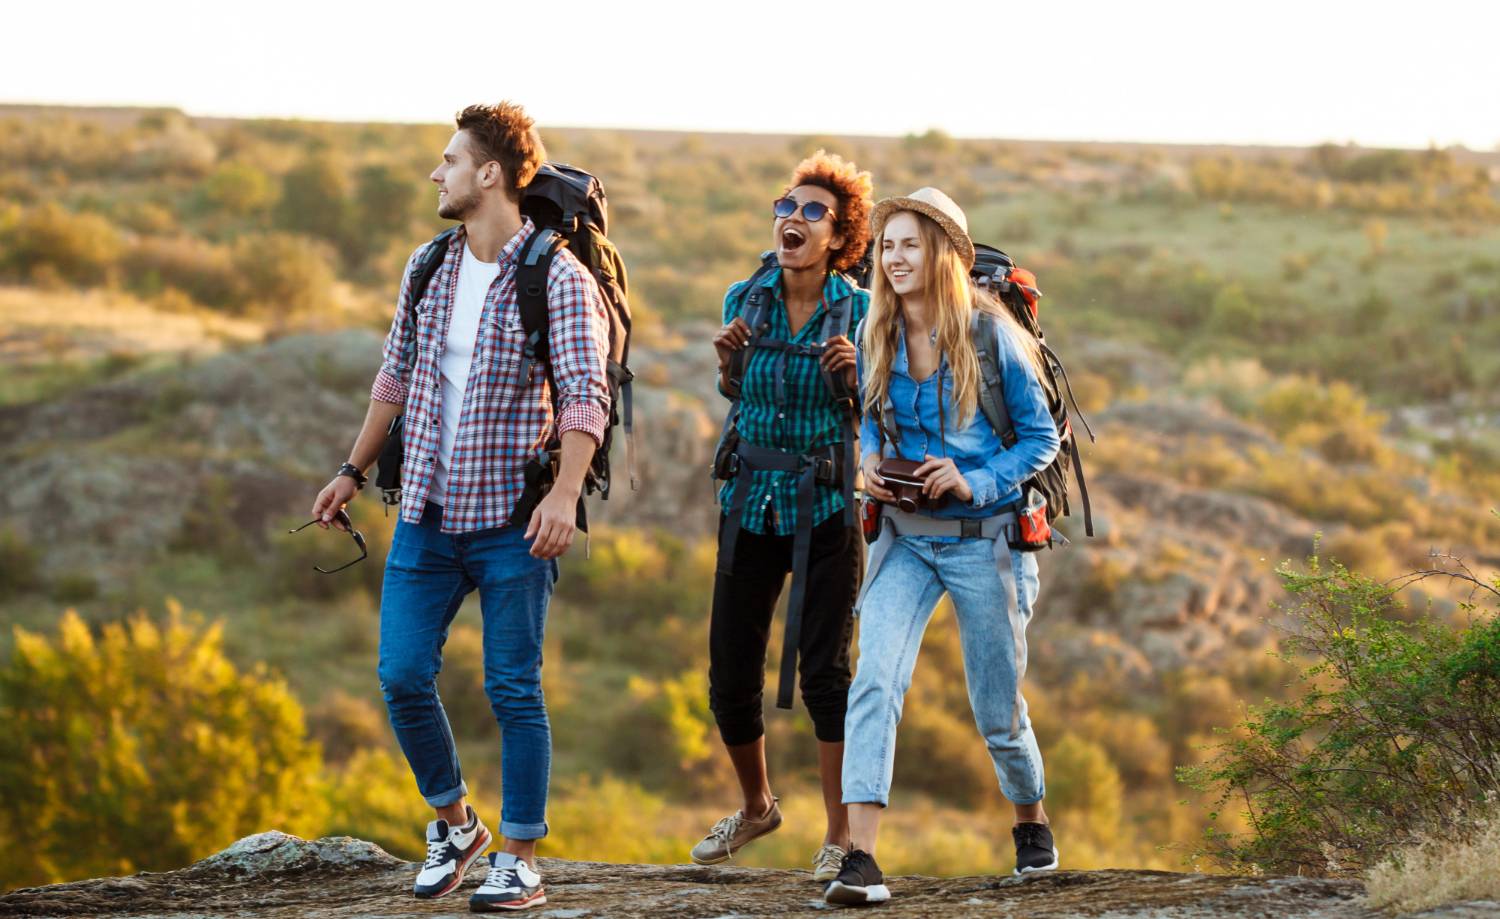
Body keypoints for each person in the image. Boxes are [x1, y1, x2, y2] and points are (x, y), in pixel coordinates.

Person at [309, 102, 611, 911]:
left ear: (491, 174)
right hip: (426, 512)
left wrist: (563, 493)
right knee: (401, 673)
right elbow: (395, 378)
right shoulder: (429, 265)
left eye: (448, 160)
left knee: (514, 687)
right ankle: (455, 823)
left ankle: (519, 858)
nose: (434, 173)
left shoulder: (556, 274)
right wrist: (350, 468)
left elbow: (587, 396)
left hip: (516, 520)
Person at [824, 188, 1062, 906]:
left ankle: (1030, 817)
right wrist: (867, 462)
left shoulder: (993, 340)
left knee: (996, 708)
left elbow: (1042, 439)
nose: (894, 259)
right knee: (874, 682)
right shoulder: (876, 333)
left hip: (985, 541)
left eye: (910, 244)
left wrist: (972, 474)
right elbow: (868, 420)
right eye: (887, 245)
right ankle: (859, 858)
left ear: (944, 255)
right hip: (903, 537)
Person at [694, 152, 874, 882]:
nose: (790, 220)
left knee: (826, 676)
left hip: (829, 505)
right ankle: (758, 805)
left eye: (810, 212)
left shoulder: (864, 312)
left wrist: (852, 377)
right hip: (750, 502)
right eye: (784, 206)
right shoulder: (747, 294)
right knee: (729, 674)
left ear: (839, 236)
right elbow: (739, 392)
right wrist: (728, 364)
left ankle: (838, 835)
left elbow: (883, 414)